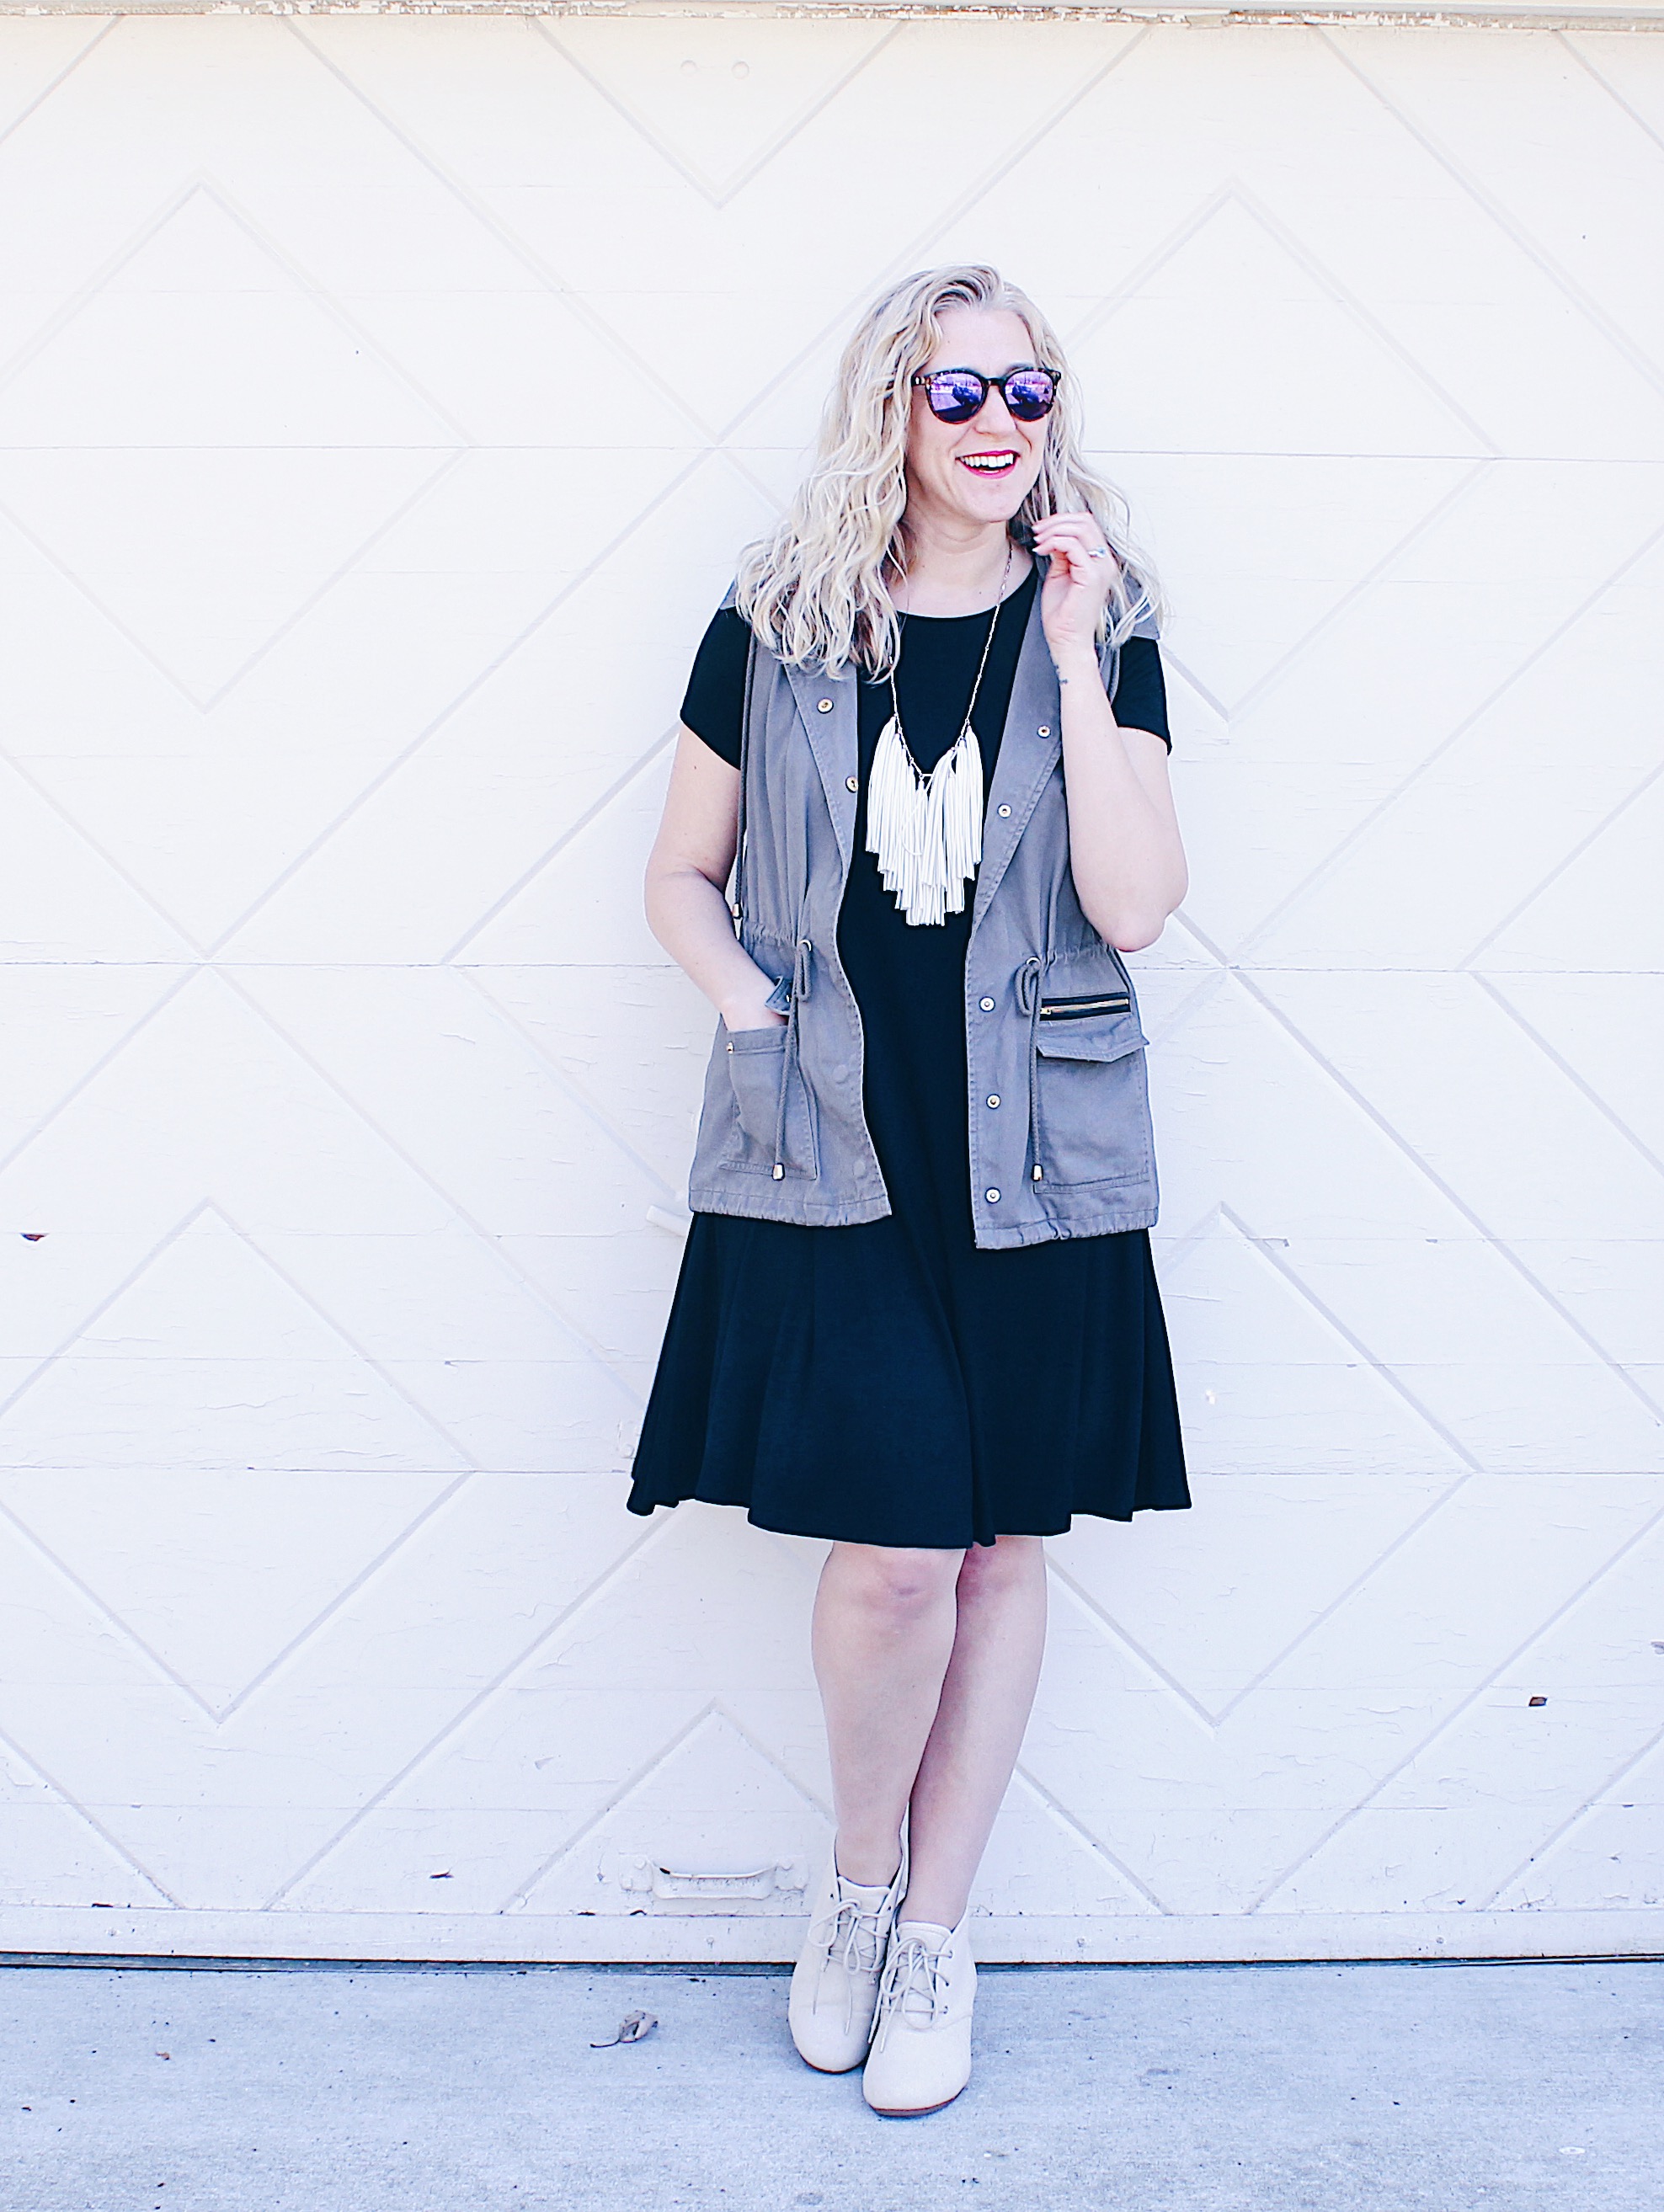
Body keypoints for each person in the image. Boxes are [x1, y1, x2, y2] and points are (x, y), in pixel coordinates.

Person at [630, 264, 1189, 2116]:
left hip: (1035, 1148)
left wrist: (1071, 657)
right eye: (957, 393)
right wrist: (752, 1010)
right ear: (891, 408)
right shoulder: (779, 621)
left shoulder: (1103, 616)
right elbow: (680, 876)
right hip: (831, 1141)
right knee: (890, 1564)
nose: (997, 423)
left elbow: (1132, 901)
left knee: (999, 1545)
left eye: (1027, 391)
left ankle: (938, 1936)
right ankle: (859, 1886)